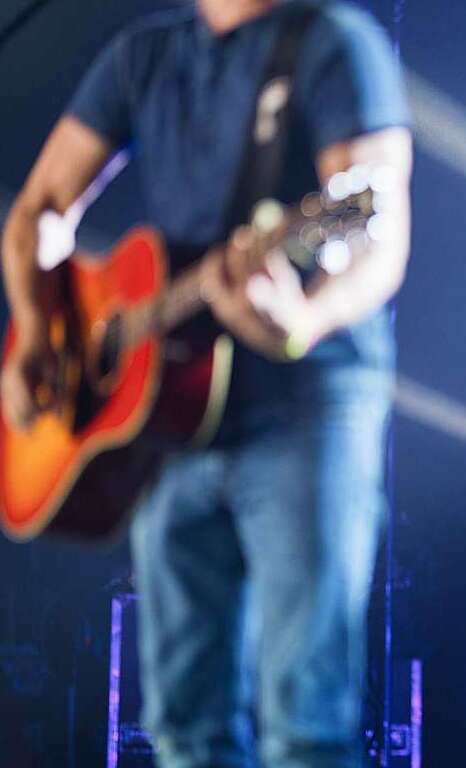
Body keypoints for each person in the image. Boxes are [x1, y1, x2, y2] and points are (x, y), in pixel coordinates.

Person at [0, 1, 412, 765]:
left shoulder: (333, 44)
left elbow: (378, 235)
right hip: (171, 417)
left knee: (306, 720)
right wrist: (35, 326)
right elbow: (38, 212)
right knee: (184, 722)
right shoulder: (143, 55)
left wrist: (305, 315)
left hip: (306, 401)